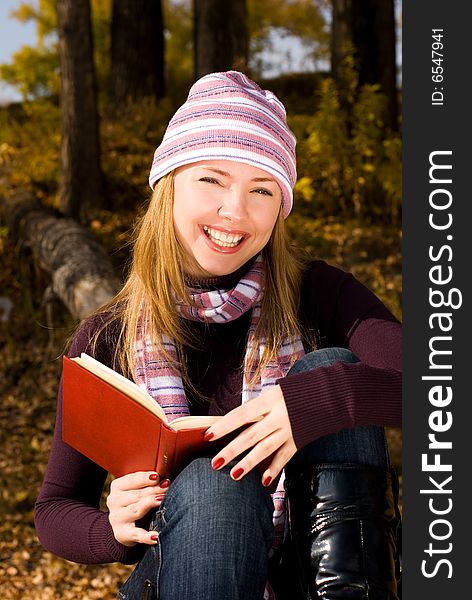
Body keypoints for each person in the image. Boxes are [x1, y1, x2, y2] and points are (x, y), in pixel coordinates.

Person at [35, 71, 402, 600]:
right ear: (170, 185)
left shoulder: (319, 294)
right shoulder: (108, 337)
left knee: (328, 370)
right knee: (214, 485)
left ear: (281, 208)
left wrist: (319, 402)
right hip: (184, 572)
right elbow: (54, 510)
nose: (236, 211)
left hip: (319, 575)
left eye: (261, 190)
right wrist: (111, 530)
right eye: (212, 180)